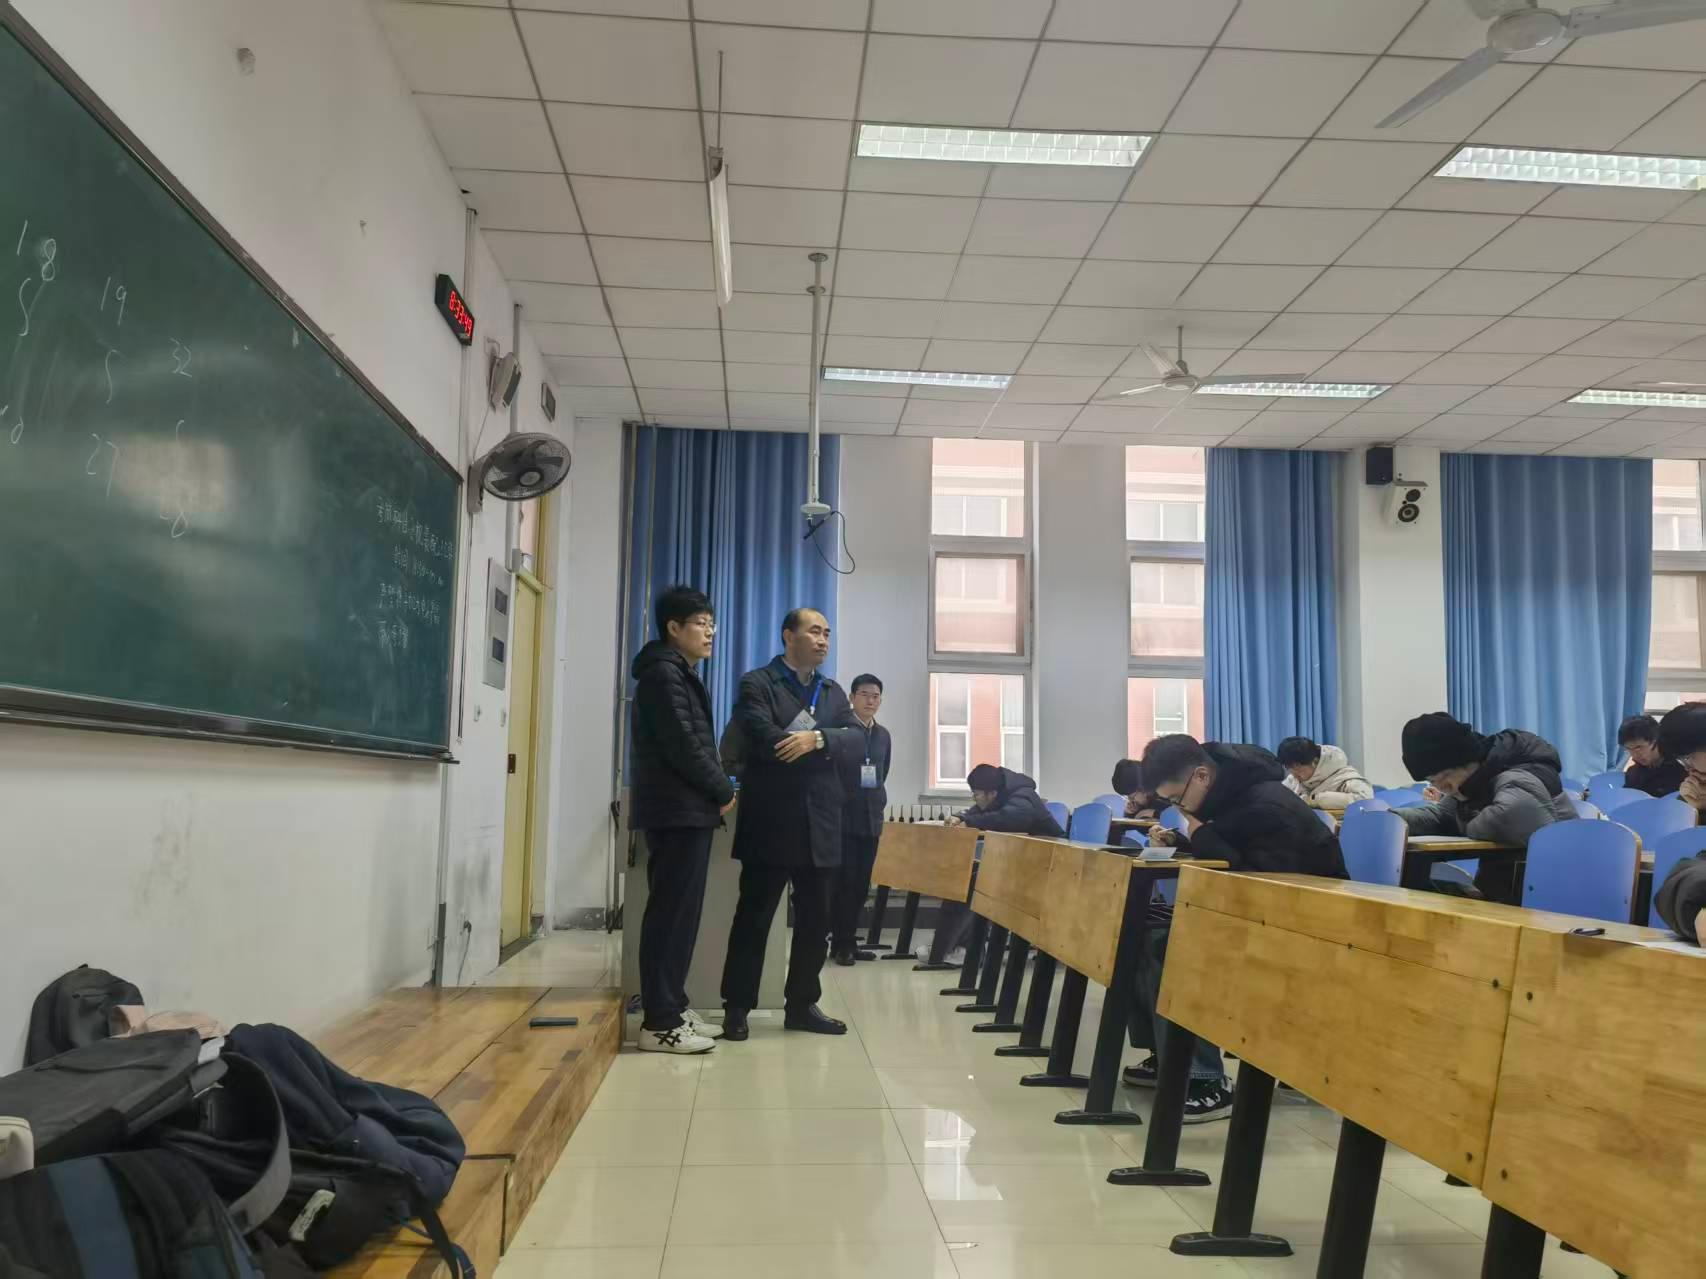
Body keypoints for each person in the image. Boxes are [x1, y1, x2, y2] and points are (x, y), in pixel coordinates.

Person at [1130, 736, 1349, 1123]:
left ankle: (1206, 1082)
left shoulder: (1265, 804)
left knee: (1175, 946)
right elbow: (1233, 852)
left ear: (1201, 775)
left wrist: (1198, 832)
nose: (1179, 808)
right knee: (1141, 934)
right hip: (1265, 907)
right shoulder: (1228, 793)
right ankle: (1168, 1056)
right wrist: (1184, 839)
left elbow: (1256, 877)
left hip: (1310, 920)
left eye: (1177, 799)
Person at [719, 608, 859, 1041]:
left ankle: (801, 1005)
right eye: (814, 631)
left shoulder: (832, 691)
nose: (823, 640)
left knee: (816, 922)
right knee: (754, 919)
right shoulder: (758, 682)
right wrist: (808, 746)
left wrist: (817, 739)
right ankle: (737, 1007)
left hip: (821, 824)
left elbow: (856, 739)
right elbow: (760, 732)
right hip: (771, 820)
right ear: (788, 636)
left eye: (827, 633)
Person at [628, 586, 735, 1055]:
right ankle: (660, 1023)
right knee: (670, 916)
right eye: (701, 624)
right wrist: (723, 788)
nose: (710, 632)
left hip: (686, 810)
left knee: (681, 916)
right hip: (676, 811)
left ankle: (673, 1005)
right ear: (673, 628)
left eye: (712, 624)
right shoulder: (663, 675)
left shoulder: (677, 672)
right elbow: (685, 745)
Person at [1396, 712, 1575, 901]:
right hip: (1507, 887)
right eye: (1433, 781)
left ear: (1468, 760)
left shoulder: (1516, 776)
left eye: (1445, 777)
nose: (1443, 788)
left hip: (1557, 891)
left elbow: (1506, 817)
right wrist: (1394, 820)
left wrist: (1461, 821)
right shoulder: (1473, 782)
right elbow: (1442, 815)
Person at [923, 764, 1068, 964]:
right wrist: (961, 817)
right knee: (969, 878)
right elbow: (981, 812)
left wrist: (970, 821)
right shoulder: (1002, 795)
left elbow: (1009, 818)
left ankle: (955, 950)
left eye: (976, 794)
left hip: (1051, 864)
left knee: (974, 882)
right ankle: (953, 948)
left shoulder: (1022, 796)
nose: (974, 799)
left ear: (991, 793)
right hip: (1027, 862)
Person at [831, 674, 891, 966]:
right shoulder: (841, 731)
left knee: (861, 885)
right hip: (844, 819)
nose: (870, 701)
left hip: (871, 820)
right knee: (843, 883)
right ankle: (840, 943)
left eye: (875, 696)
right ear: (852, 697)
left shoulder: (883, 735)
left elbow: (882, 773)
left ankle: (850, 942)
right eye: (865, 694)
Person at [1655, 705, 1706, 938]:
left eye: (1689, 756)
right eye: (1682, 759)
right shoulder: (1692, 796)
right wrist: (1692, 811)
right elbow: (1680, 872)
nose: (1688, 767)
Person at [1276, 737, 1375, 808]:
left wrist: (1317, 799)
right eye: (1289, 768)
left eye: (1297, 768)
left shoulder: (1344, 777)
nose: (1294, 775)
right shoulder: (1294, 779)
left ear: (1314, 762)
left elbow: (1366, 801)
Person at [1620, 714, 1684, 798]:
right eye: (1629, 749)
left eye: (1639, 747)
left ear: (1654, 741)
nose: (1634, 755)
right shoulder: (1633, 774)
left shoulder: (1681, 770)